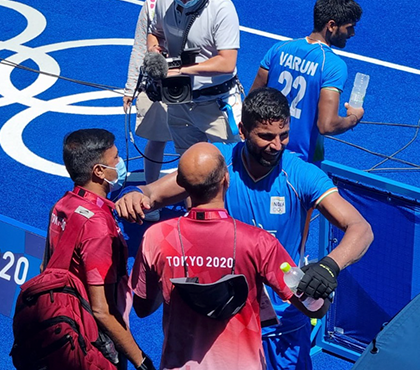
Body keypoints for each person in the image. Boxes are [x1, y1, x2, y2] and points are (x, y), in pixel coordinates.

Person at [116, 88, 374, 370]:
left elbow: (360, 228)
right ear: (242, 131)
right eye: (266, 136)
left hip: (283, 326)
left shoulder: (300, 174)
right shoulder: (218, 165)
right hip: (228, 326)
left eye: (283, 135)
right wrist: (134, 194)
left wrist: (329, 266)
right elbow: (151, 193)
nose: (277, 145)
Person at [131, 142, 328, 369]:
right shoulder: (258, 242)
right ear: (226, 178)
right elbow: (310, 306)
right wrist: (323, 284)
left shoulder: (155, 237)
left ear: (181, 184)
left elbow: (142, 308)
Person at [42, 129, 154, 370]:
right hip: (90, 340)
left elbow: (45, 266)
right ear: (99, 172)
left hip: (59, 322)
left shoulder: (62, 204)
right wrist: (141, 360)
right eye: (115, 159)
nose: (121, 163)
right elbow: (102, 311)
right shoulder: (99, 226)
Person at [122, 0, 201, 222]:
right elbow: (140, 46)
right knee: (158, 140)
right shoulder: (153, 2)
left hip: (190, 81)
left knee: (191, 146)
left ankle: (194, 204)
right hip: (161, 82)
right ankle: (150, 200)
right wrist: (130, 87)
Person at [250, 0, 364, 164]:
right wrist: (354, 118)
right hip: (301, 163)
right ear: (331, 25)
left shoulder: (278, 49)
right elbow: (327, 125)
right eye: (349, 27)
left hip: (264, 154)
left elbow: (252, 101)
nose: (352, 33)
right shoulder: (333, 66)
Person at [146, 0, 243, 156]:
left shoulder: (222, 8)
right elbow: (155, 33)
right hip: (178, 101)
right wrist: (154, 51)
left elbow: (227, 62)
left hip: (217, 103)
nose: (184, 0)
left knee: (231, 164)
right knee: (189, 165)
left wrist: (179, 70)